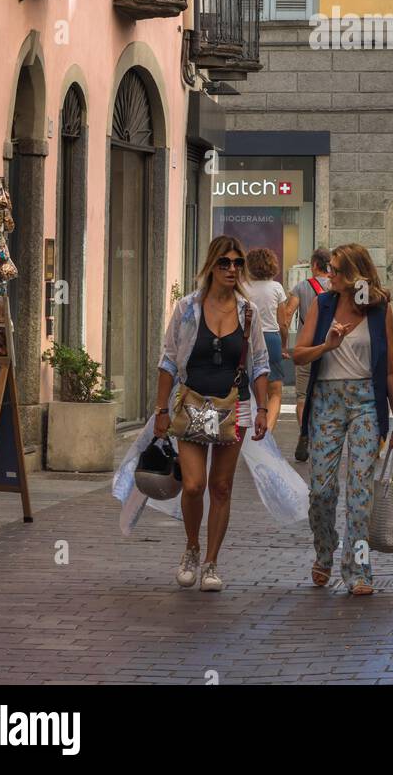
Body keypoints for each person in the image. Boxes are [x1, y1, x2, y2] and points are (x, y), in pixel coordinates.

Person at [153, 237, 269, 591]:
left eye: (237, 263)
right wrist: (161, 409)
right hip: (191, 404)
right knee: (193, 485)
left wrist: (263, 408)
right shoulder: (188, 308)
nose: (232, 269)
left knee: (221, 486)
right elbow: (168, 360)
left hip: (234, 407)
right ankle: (191, 548)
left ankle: (211, 563)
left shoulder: (249, 312)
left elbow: (260, 363)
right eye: (225, 263)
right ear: (212, 267)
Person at [294, 243, 393, 596]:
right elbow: (298, 354)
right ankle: (325, 549)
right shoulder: (323, 304)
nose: (329, 274)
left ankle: (359, 568)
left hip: (366, 402)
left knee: (360, 494)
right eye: (329, 268)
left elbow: (390, 368)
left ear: (354, 274)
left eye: (336, 270)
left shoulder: (378, 309)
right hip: (327, 401)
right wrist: (327, 346)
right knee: (321, 490)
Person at [281, 248, 331, 462]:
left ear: (314, 265)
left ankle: (304, 434)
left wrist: (284, 343)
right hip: (330, 349)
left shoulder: (302, 287)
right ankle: (324, 438)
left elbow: (287, 315)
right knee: (327, 395)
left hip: (306, 348)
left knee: (302, 396)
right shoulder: (336, 288)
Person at [245, 247, 288, 434]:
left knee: (251, 387)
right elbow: (283, 323)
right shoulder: (276, 287)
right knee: (275, 391)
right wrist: (284, 346)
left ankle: (251, 429)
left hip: (248, 339)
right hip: (271, 338)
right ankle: (267, 432)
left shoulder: (243, 287)